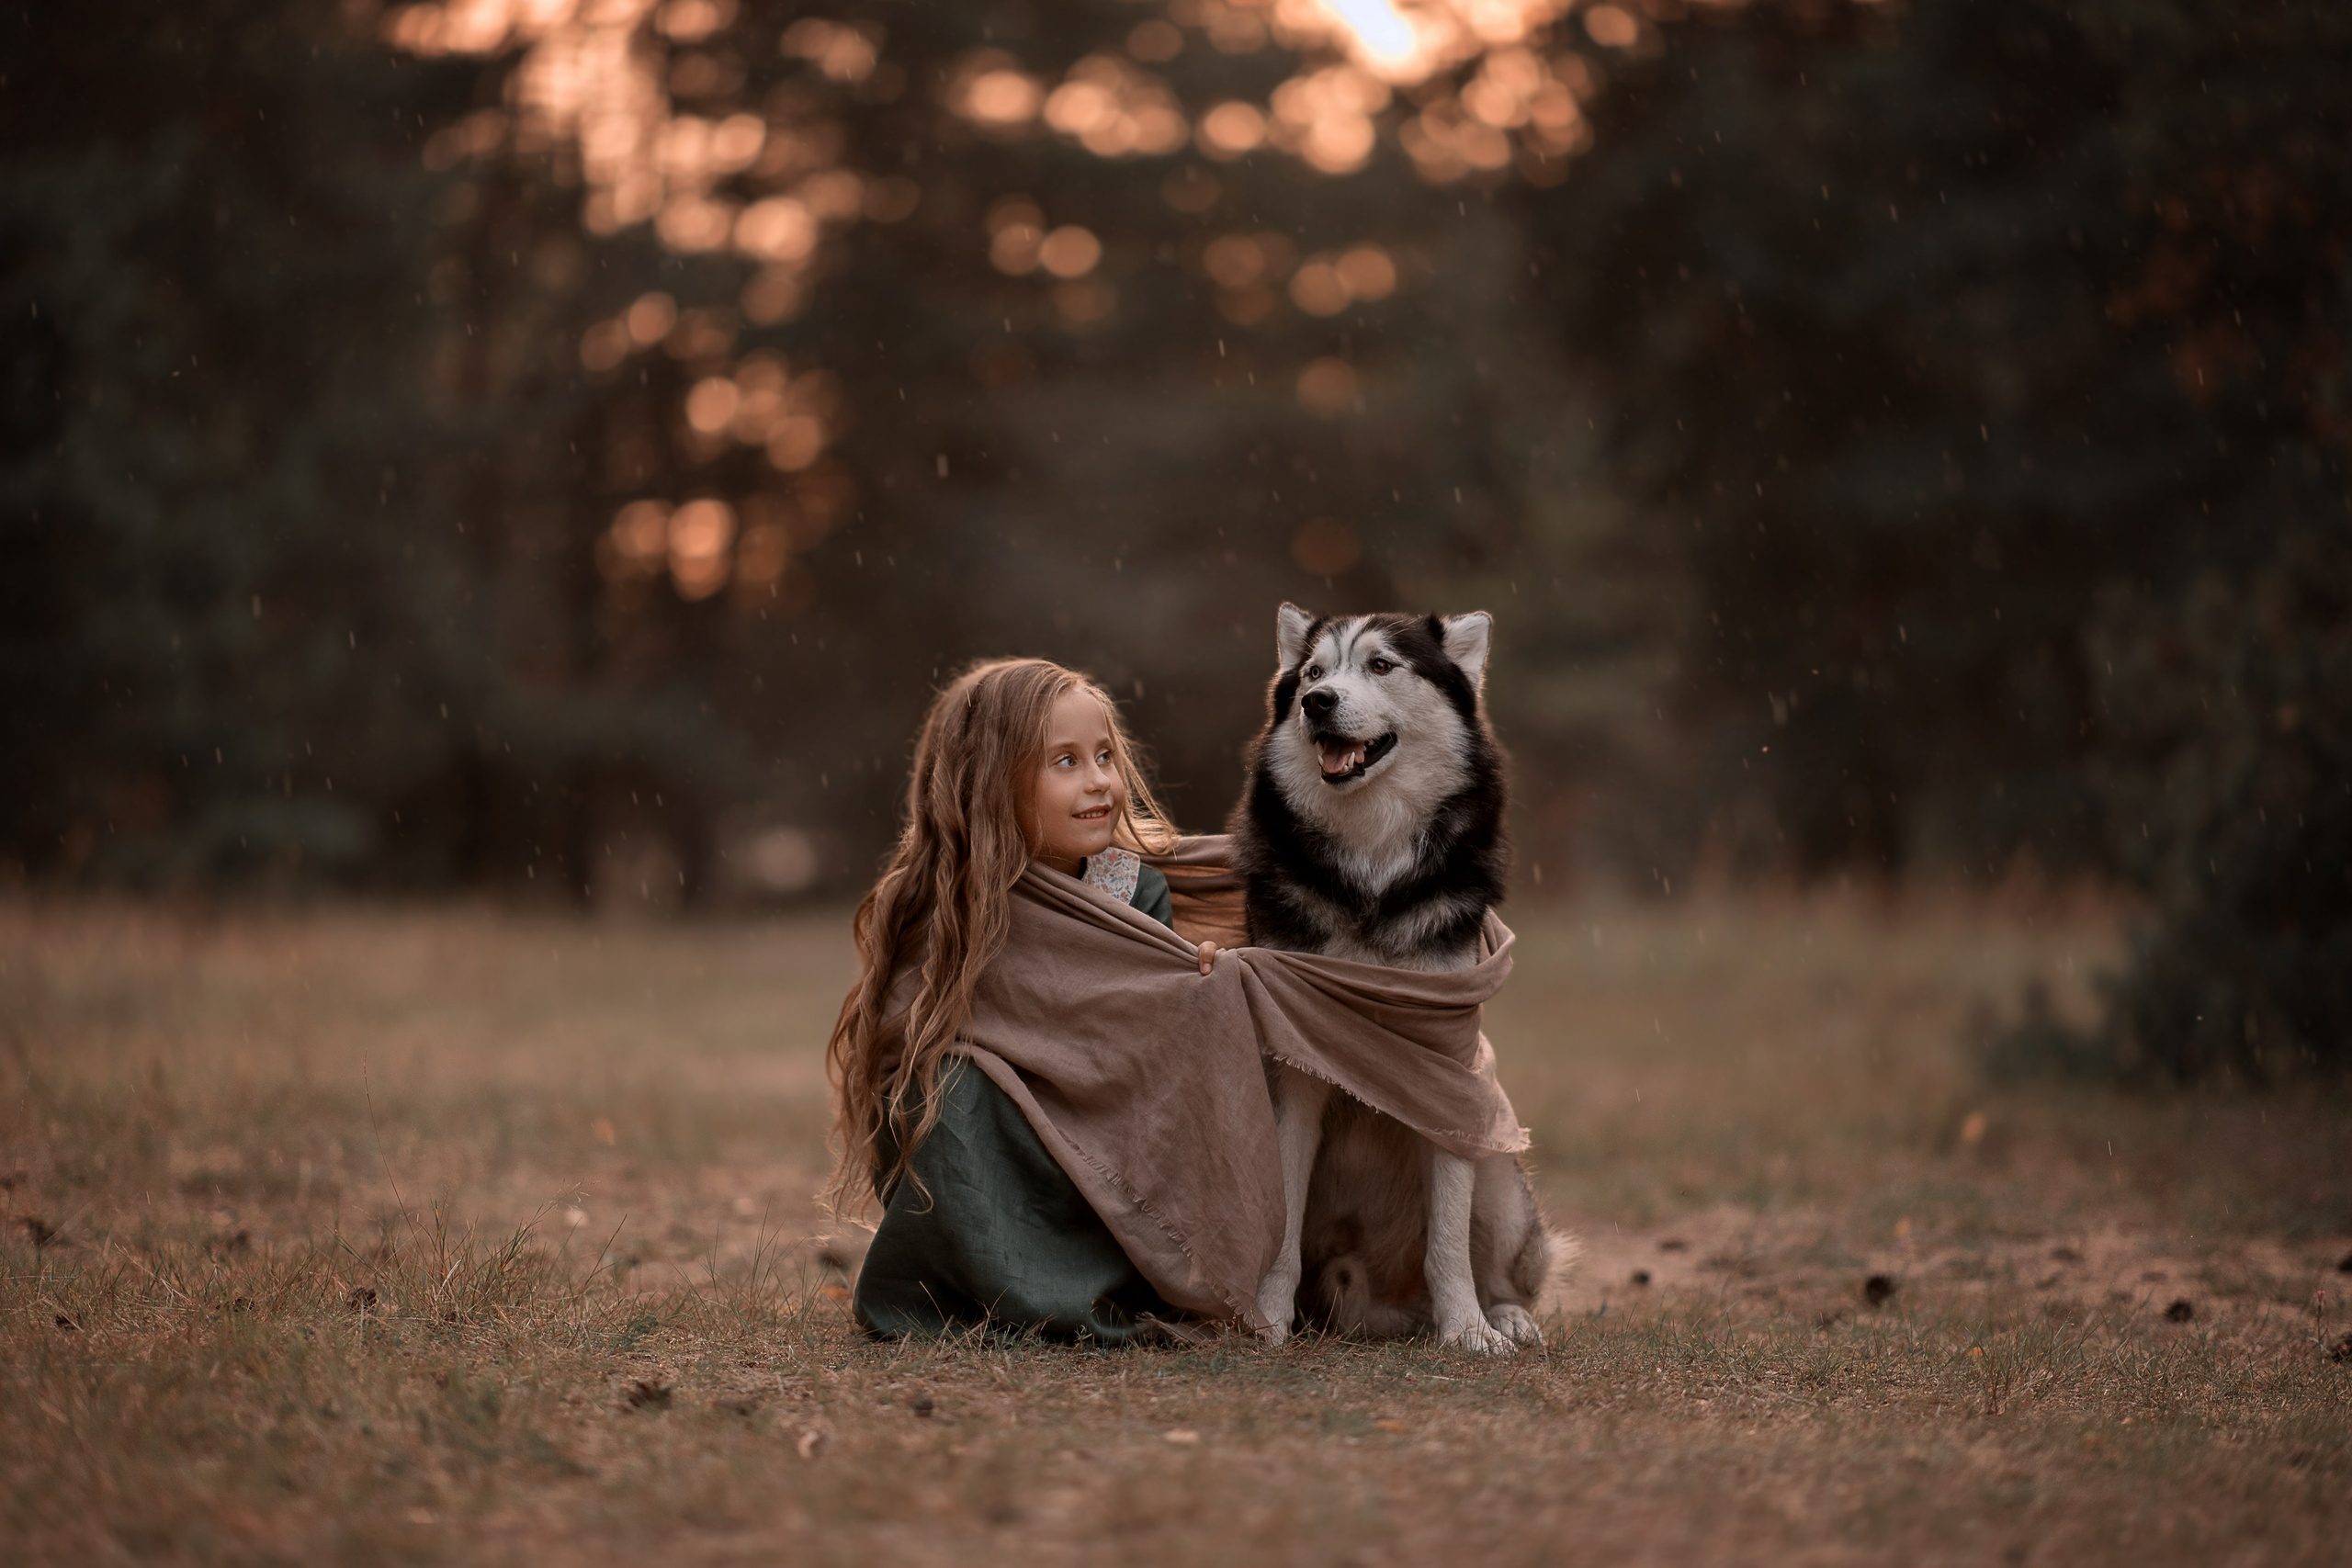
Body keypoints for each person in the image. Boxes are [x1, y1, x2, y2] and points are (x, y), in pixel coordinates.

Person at [826, 658, 1216, 1341]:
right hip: (989, 1133)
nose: (1099, 781)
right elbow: (902, 1034)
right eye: (1065, 762)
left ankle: (1082, 1286)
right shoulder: (945, 895)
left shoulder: (1134, 890)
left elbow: (1146, 1035)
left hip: (1100, 1131)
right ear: (993, 781)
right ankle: (977, 1278)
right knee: (944, 1090)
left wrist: (1199, 983)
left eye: (1104, 756)